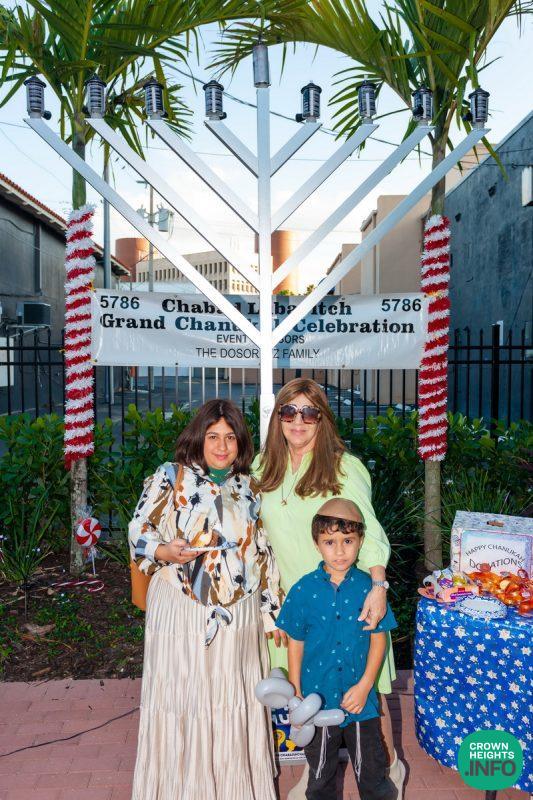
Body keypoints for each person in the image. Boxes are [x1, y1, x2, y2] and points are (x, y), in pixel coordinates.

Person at [254, 378, 405, 799]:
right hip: (298, 604)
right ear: (277, 417)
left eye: (309, 412)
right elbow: (254, 538)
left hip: (347, 598)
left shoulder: (343, 467)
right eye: (289, 411)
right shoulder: (263, 467)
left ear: (323, 419)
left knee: (366, 694)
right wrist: (269, 603)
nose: (298, 420)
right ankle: (315, 770)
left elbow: (368, 531)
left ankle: (389, 769)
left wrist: (378, 587)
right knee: (309, 688)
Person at [129, 399, 284, 800]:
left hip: (238, 613)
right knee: (185, 697)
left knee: (233, 700)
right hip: (181, 610)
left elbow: (263, 551)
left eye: (230, 437)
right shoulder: (170, 476)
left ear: (240, 443)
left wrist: (272, 612)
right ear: (198, 438)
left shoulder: (249, 486)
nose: (221, 446)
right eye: (213, 436)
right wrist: (164, 551)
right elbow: (138, 529)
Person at [276, 498, 398, 800]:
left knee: (372, 773)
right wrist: (296, 692)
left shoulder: (369, 590)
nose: (340, 551)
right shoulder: (303, 589)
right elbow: (296, 642)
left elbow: (378, 640)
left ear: (360, 541)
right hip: (317, 701)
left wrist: (365, 686)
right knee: (320, 777)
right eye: (330, 542)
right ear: (317, 544)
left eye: (348, 541)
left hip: (360, 703)